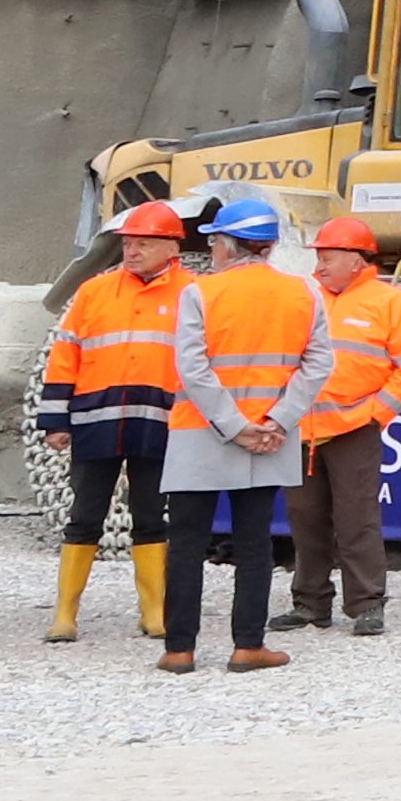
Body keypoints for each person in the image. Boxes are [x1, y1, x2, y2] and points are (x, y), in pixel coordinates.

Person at [159, 194, 333, 674]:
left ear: (231, 245)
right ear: (269, 246)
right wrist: (277, 421)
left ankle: (179, 649)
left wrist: (234, 427)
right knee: (255, 542)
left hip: (202, 434)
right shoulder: (304, 293)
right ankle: (248, 645)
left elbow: (192, 368)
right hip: (270, 441)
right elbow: (319, 363)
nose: (212, 248)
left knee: (187, 543)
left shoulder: (199, 292)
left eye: (215, 239)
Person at [42, 198, 182, 644]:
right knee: (84, 516)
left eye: (143, 243)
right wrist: (55, 419)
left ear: (171, 249)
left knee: (151, 517)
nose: (132, 251)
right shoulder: (93, 292)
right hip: (94, 421)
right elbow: (64, 357)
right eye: (127, 243)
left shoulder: (194, 294)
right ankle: (65, 614)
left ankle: (154, 612)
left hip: (162, 423)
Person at [286, 214, 401, 635]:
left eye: (328, 258)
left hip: (354, 430)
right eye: (319, 258)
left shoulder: (390, 302)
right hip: (302, 430)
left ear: (356, 260)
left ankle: (367, 604)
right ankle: (309, 603)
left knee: (357, 519)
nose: (320, 266)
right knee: (304, 518)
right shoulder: (306, 297)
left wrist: (373, 414)